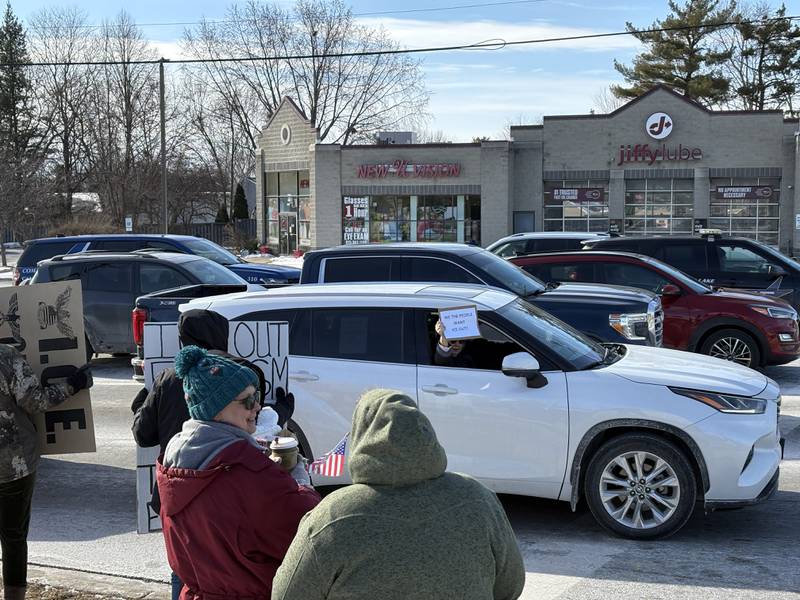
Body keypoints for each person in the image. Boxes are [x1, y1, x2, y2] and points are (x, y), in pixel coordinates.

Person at [272, 389, 526, 600]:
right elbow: (511, 587)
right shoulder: (478, 499)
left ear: (362, 438)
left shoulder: (334, 515)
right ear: (426, 433)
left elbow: (287, 595)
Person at [157, 346, 320, 600]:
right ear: (217, 408)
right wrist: (298, 478)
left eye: (257, 397)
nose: (257, 407)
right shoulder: (247, 471)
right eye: (247, 400)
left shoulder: (173, 463)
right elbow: (308, 532)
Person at [0, 344, 92, 600]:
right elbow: (35, 400)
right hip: (13, 465)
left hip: (13, 465)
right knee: (13, 537)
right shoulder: (5, 357)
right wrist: (74, 384)